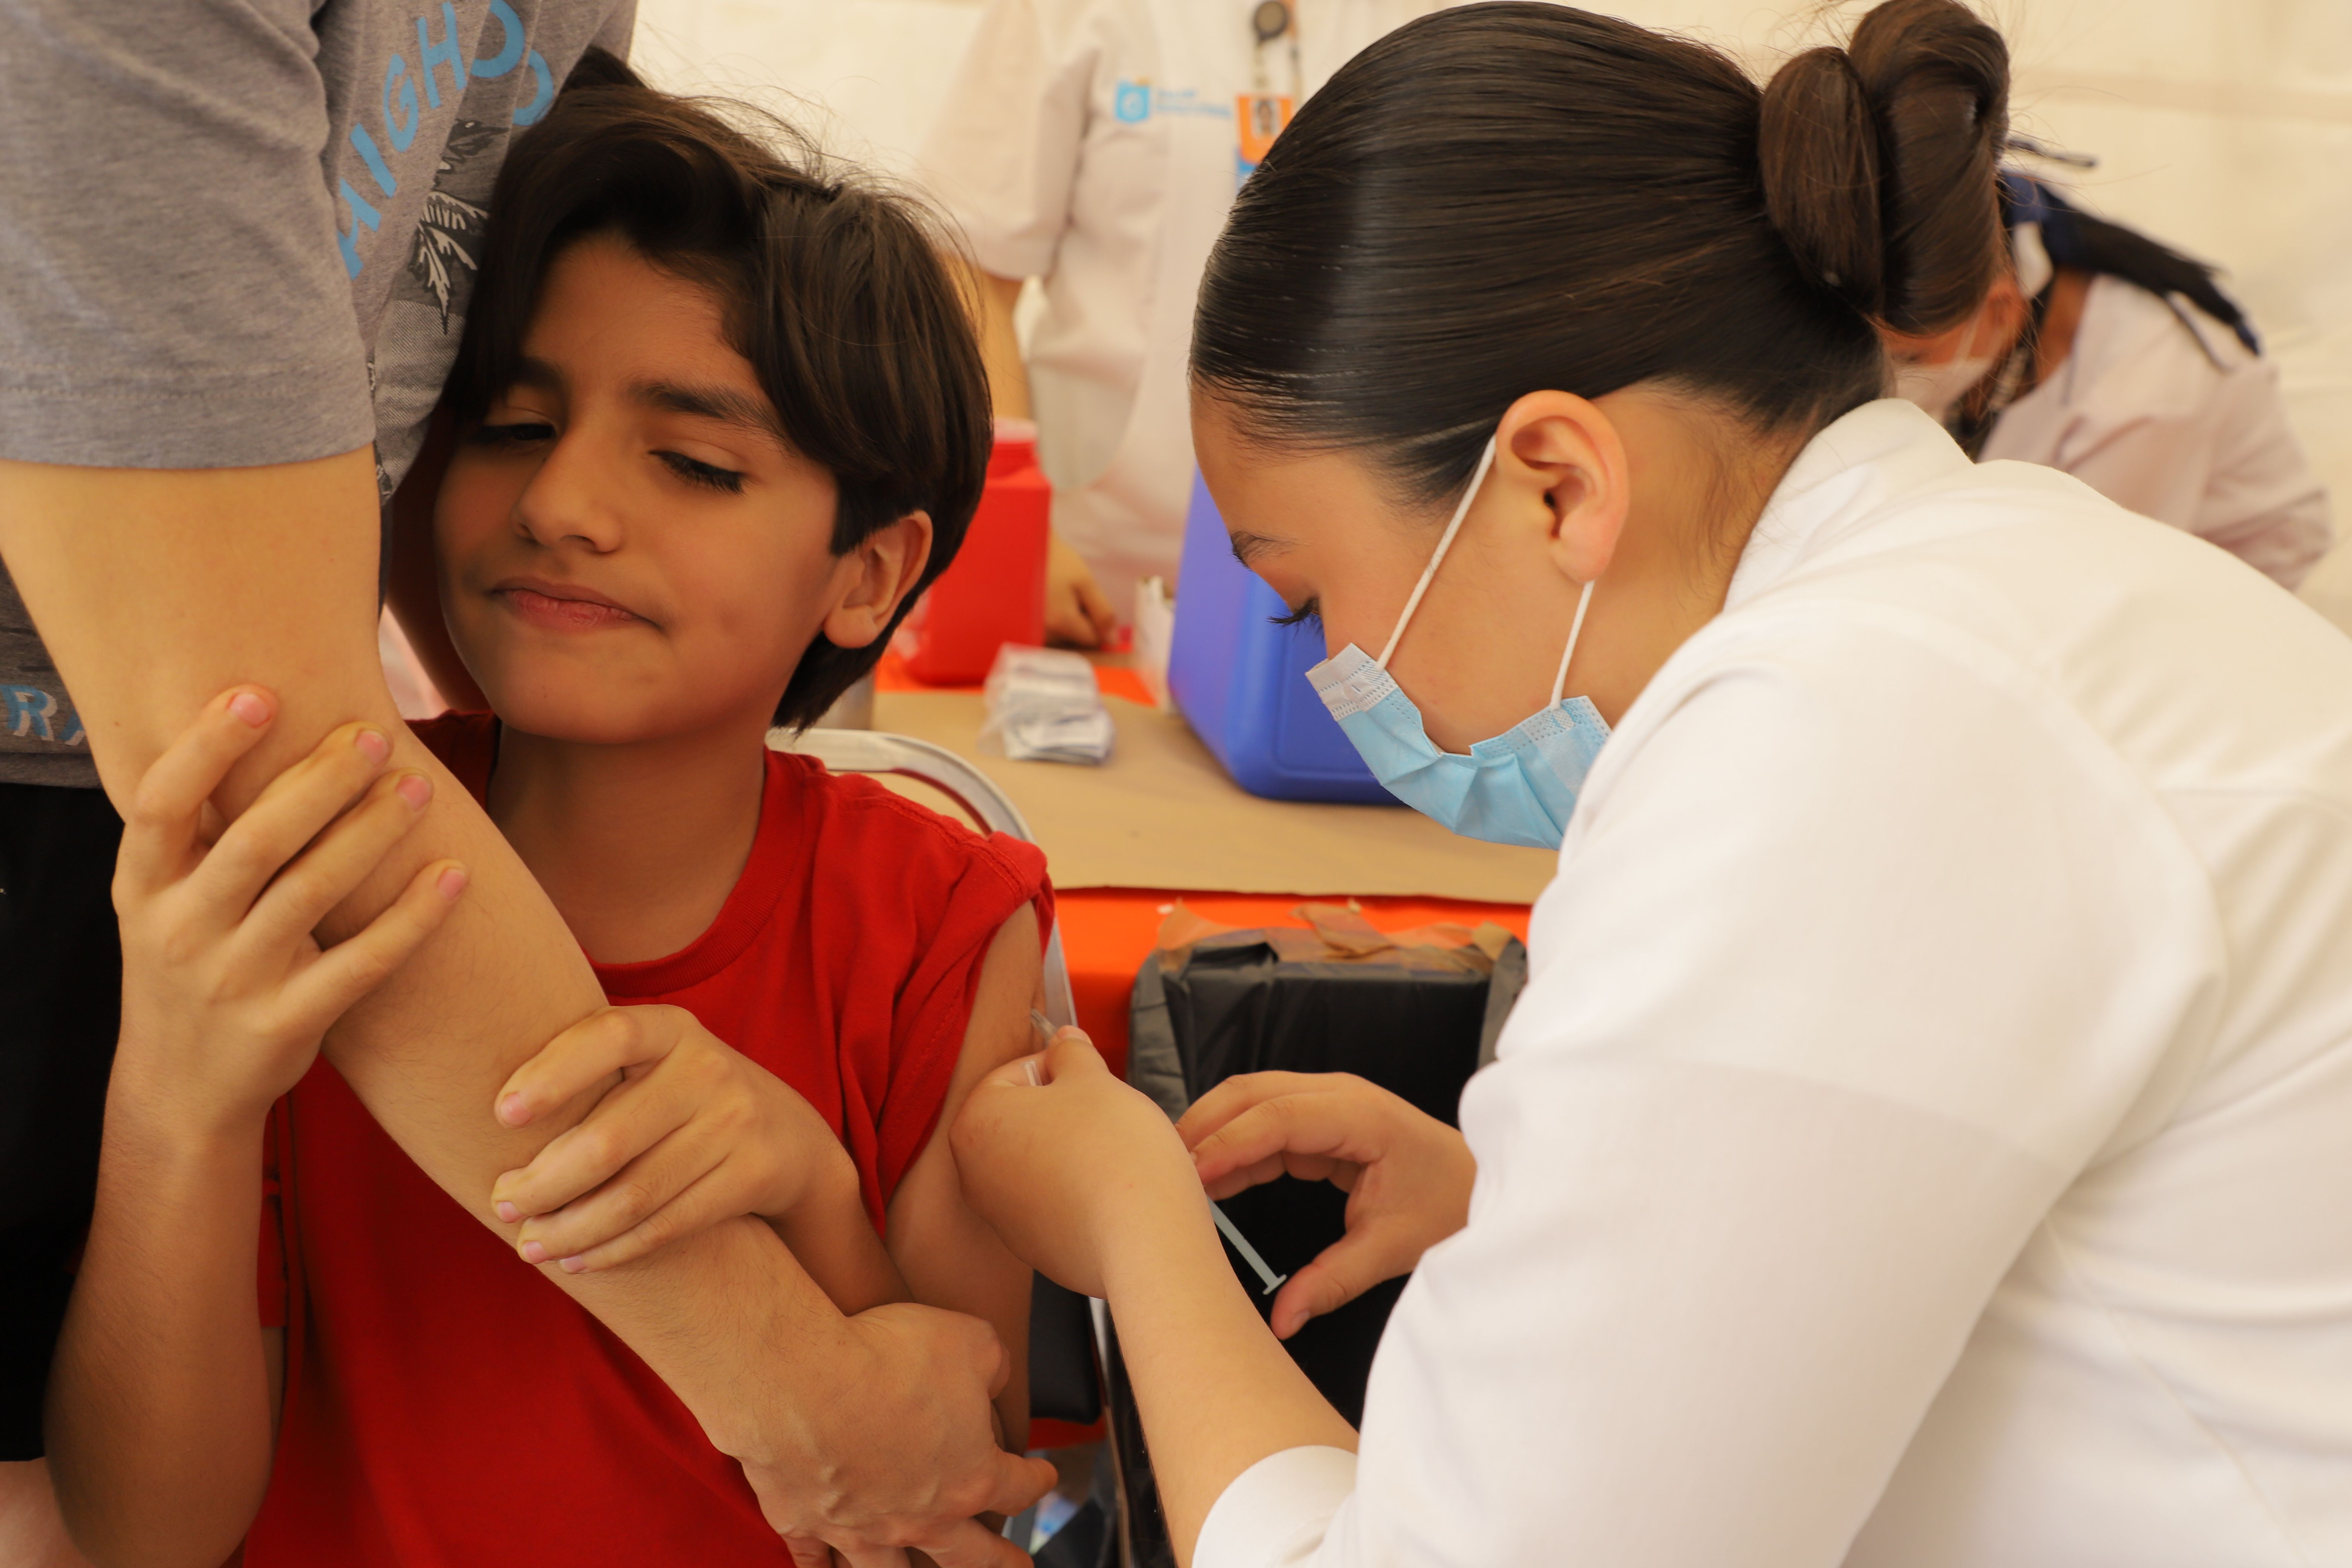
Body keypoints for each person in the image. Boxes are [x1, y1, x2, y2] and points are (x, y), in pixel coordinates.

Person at [950, 3, 2352, 1564]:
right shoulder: (2024, 587)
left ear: (1556, 485)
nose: (1340, 671)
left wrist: (1140, 1235)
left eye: (1304, 597)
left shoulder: (1829, 744)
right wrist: (1526, 1204)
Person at [0, 5, 1048, 1561]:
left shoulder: (938, 919)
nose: (561, 502)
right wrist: (179, 1098)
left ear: (873, 571)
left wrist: (813, 1188)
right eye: (506, 425)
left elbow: (949, 1477)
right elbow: (136, 1533)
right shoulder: (276, 906)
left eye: (694, 463)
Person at [917, 0, 1450, 647]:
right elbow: (970, 268)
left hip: (1356, 595)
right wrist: (1018, 525)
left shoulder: (1443, 20)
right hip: (1091, 586)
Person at [1883, 172, 2333, 588]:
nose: (1895, 375)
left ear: (2002, 309)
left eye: (1910, 357)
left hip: (2210, 596)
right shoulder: (2004, 311)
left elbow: (2074, 585)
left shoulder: (2148, 386)